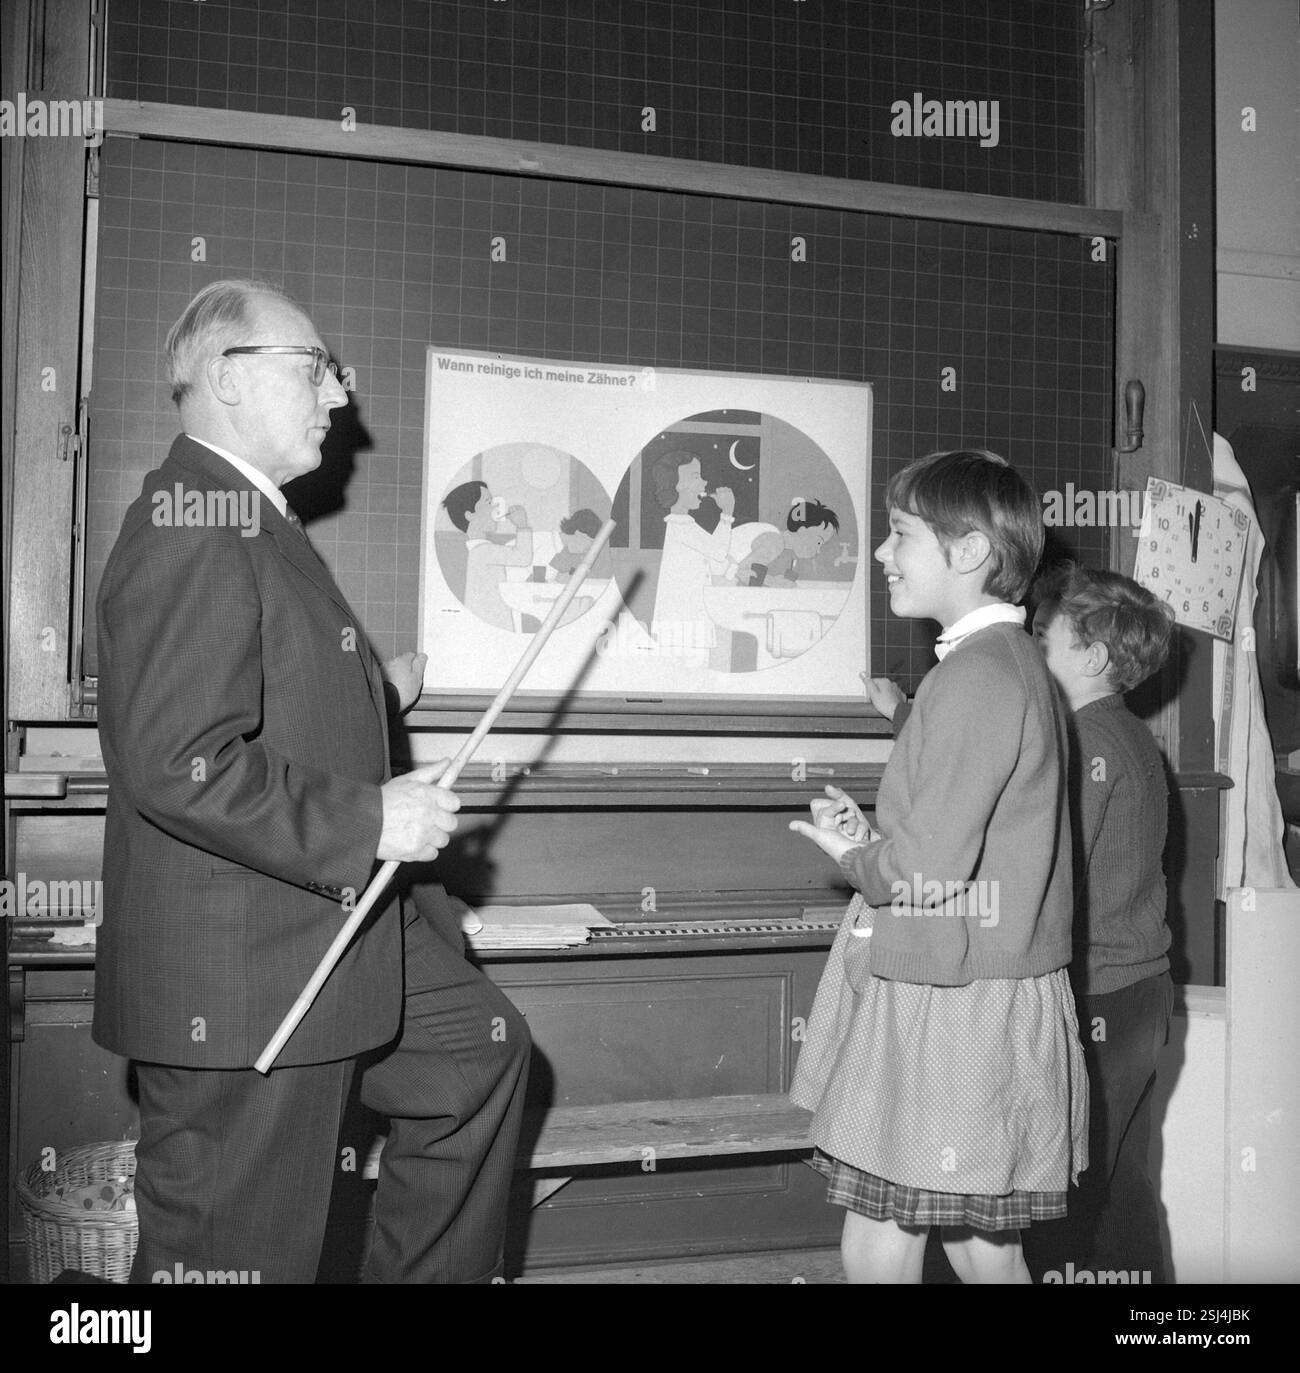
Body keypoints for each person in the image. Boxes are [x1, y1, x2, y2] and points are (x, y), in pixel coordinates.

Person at [94, 279, 530, 1284]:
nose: (340, 392)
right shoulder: (189, 519)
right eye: (318, 367)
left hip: (331, 931)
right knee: (234, 1252)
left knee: (481, 1058)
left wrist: (372, 694)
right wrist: (374, 815)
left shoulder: (254, 517)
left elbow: (259, 692)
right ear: (229, 377)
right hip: (245, 972)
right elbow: (176, 759)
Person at [789, 448, 1086, 1284]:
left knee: (878, 1242)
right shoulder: (1010, 665)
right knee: (981, 1245)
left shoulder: (974, 677)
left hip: (949, 1001)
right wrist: (879, 833)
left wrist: (857, 857)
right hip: (982, 987)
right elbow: (965, 836)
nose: (882, 553)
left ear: (970, 553)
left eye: (899, 534)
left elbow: (930, 870)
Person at [1026, 563, 1176, 1282]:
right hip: (1144, 990)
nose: (1028, 647)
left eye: (1041, 636)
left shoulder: (1084, 742)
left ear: (1088, 656)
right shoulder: (1132, 734)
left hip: (1099, 996)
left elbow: (1056, 876)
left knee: (1065, 1189)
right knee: (1123, 1185)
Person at [647, 450, 734, 665]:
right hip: (683, 626)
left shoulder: (686, 524)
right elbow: (718, 551)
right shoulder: (681, 526)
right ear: (675, 485)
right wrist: (727, 513)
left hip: (687, 625)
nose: (704, 483)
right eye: (696, 476)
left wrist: (733, 568)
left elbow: (714, 564)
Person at [443, 479, 533, 631]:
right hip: (492, 623)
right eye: (489, 502)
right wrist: (522, 526)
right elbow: (523, 558)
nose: (495, 508)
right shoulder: (482, 551)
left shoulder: (479, 549)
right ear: (469, 515)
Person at [735, 498, 840, 586]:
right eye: (819, 543)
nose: (819, 551)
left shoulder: (775, 539)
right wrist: (775, 582)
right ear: (802, 531)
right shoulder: (775, 542)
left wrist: (773, 580)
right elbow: (741, 573)